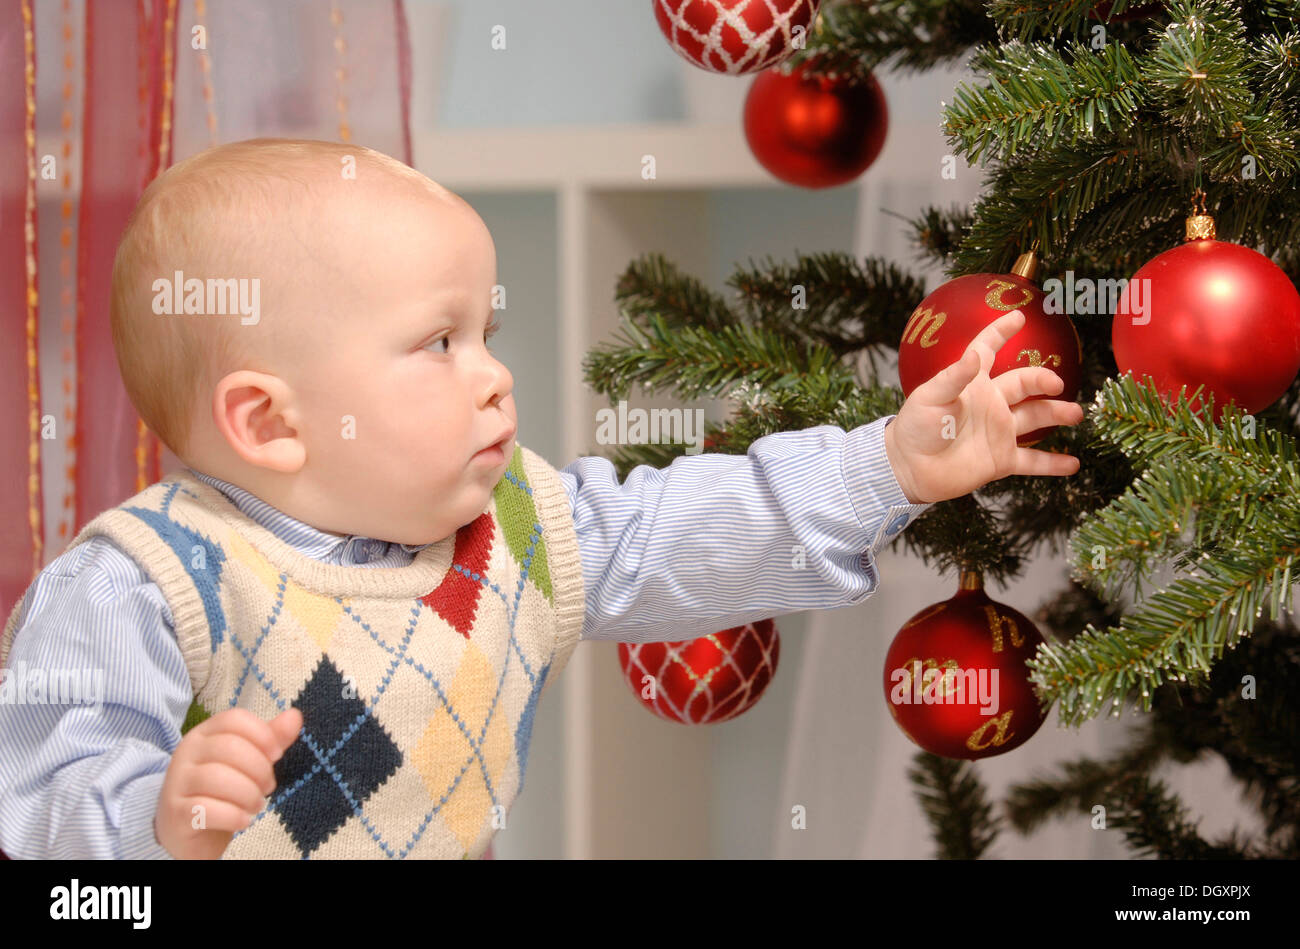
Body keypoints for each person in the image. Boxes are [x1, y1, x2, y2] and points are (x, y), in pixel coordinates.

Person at [0, 139, 1082, 859]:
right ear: (272, 423)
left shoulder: (516, 526)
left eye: (487, 333)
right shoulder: (144, 583)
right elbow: (35, 820)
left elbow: (696, 525)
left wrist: (889, 464)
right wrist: (151, 818)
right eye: (438, 342)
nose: (494, 373)